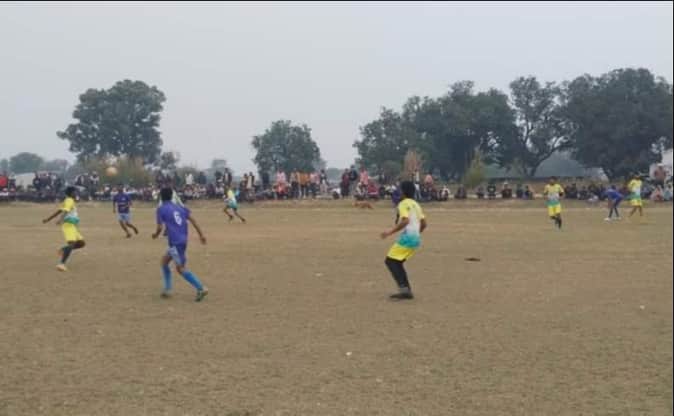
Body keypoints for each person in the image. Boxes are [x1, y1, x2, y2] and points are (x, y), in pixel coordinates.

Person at [152, 188, 209, 302]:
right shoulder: (180, 207)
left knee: (180, 268)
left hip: (175, 242)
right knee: (164, 262)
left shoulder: (161, 209)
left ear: (161, 197)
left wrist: (155, 235)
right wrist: (201, 235)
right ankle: (167, 289)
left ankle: (201, 288)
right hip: (182, 240)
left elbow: (159, 227)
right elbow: (193, 221)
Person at [380, 181, 427, 300]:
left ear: (404, 192)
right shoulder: (416, 204)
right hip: (416, 239)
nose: (398, 192)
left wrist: (389, 232)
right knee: (397, 262)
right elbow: (424, 223)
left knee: (390, 261)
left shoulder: (402, 204)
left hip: (408, 238)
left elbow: (405, 220)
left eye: (400, 190)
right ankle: (406, 290)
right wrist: (416, 233)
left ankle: (404, 290)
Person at [42, 186, 86, 272]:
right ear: (71, 193)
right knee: (72, 243)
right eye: (75, 192)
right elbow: (65, 211)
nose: (76, 193)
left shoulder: (68, 200)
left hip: (73, 226)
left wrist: (48, 219)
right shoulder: (69, 200)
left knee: (81, 243)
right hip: (68, 225)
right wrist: (61, 219)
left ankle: (64, 249)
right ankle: (61, 264)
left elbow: (59, 211)